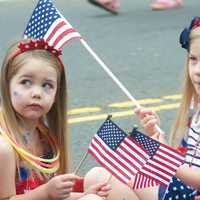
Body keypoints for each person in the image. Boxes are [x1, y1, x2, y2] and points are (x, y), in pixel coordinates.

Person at [84, 16, 200, 200]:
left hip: (188, 193)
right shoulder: (196, 105)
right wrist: (156, 135)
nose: (197, 69)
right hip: (179, 188)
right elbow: (190, 158)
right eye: (193, 59)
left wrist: (166, 159)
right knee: (96, 178)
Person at [0, 38, 111, 200]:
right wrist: (46, 192)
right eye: (26, 82)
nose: (37, 93)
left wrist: (83, 194)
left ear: (56, 95)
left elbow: (53, 196)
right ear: (7, 85)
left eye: (47, 85)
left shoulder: (45, 137)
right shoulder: (4, 148)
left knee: (101, 178)